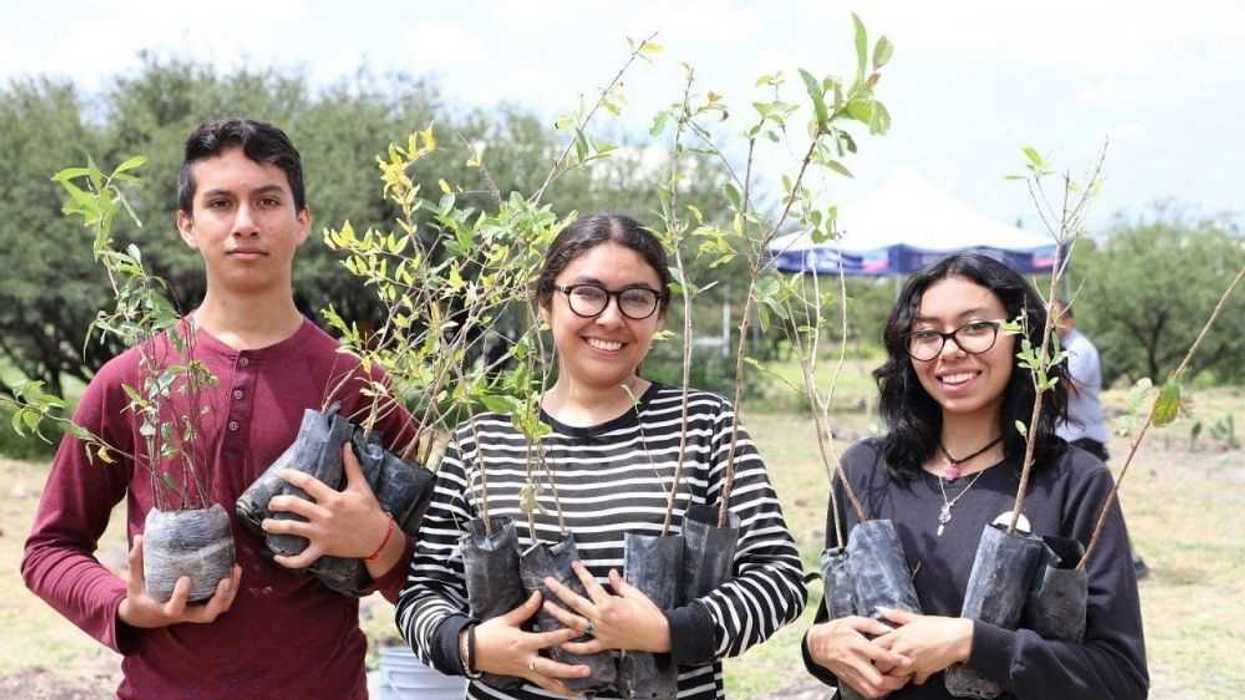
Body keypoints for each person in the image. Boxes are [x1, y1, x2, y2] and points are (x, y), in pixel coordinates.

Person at [22, 119, 416, 698]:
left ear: (302, 221)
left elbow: (436, 579)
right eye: (220, 203)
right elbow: (48, 551)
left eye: (267, 201)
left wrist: (379, 542)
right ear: (187, 225)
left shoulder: (357, 386)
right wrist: (125, 608)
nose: (245, 224)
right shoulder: (134, 380)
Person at [395, 214, 807, 698]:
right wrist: (471, 647)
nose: (611, 318)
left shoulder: (704, 425)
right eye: (587, 293)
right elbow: (423, 592)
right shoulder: (482, 442)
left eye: (636, 298)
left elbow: (779, 576)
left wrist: (667, 632)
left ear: (660, 315)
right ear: (545, 305)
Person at [802, 254, 1147, 699]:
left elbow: (1119, 680)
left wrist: (972, 642)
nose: (949, 349)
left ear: (1024, 341)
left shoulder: (1074, 482)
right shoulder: (864, 471)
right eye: (927, 333)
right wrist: (817, 646)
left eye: (975, 328)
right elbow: (837, 627)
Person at [1052, 299, 1110, 462]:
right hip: (1065, 437)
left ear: (1069, 323)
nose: (1046, 323)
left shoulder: (1079, 349)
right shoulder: (1059, 347)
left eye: (1053, 318)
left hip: (1081, 438)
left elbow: (1066, 387)